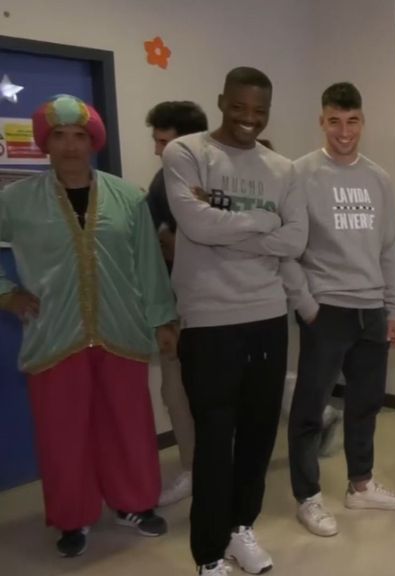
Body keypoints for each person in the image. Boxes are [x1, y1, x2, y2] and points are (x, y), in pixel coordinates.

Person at [0, 94, 177, 557]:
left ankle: (134, 503)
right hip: (54, 334)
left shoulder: (128, 197)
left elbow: (148, 267)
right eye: (59, 136)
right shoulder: (16, 200)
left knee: (128, 424)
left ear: (94, 141)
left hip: (121, 329)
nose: (71, 146)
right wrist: (7, 293)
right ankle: (72, 517)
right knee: (62, 431)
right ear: (46, 142)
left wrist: (162, 318)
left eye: (80, 136)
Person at [163, 67, 308, 576]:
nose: (249, 119)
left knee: (258, 434)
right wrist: (265, 222)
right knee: (214, 440)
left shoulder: (284, 169)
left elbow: (295, 240)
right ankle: (208, 555)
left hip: (268, 316)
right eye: (239, 107)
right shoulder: (185, 153)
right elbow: (196, 225)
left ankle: (239, 528)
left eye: (260, 111)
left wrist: (230, 228)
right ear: (222, 101)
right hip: (209, 320)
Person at [282, 82, 395, 539]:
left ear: (362, 122)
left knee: (365, 403)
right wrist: (307, 305)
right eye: (334, 120)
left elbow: (390, 248)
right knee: (310, 409)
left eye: (352, 121)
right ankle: (308, 497)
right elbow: (286, 251)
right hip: (325, 310)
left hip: (371, 308)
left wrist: (394, 309)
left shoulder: (377, 178)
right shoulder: (299, 174)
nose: (343, 130)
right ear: (322, 120)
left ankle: (361, 483)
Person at [144, 100, 209, 507]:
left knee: (225, 395)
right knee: (175, 392)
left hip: (226, 309)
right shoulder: (159, 185)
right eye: (156, 141)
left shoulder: (227, 177)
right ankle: (193, 469)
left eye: (163, 141)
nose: (156, 150)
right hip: (179, 309)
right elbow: (150, 246)